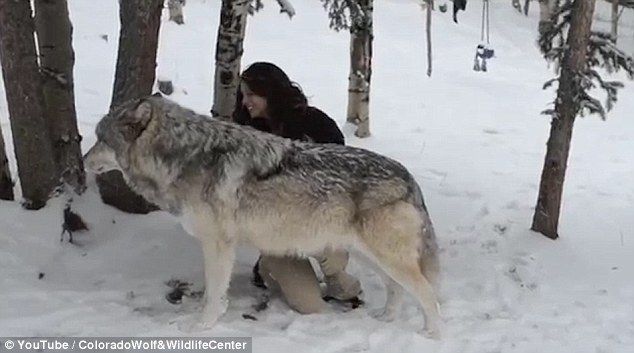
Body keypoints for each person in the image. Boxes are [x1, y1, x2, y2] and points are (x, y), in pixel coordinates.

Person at [232, 62, 362, 314]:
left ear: (271, 93)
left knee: (332, 259)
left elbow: (343, 174)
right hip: (275, 231)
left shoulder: (315, 124)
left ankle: (337, 279)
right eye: (243, 94)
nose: (245, 102)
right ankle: (267, 267)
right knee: (310, 306)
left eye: (251, 94)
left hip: (318, 218)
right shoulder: (244, 133)